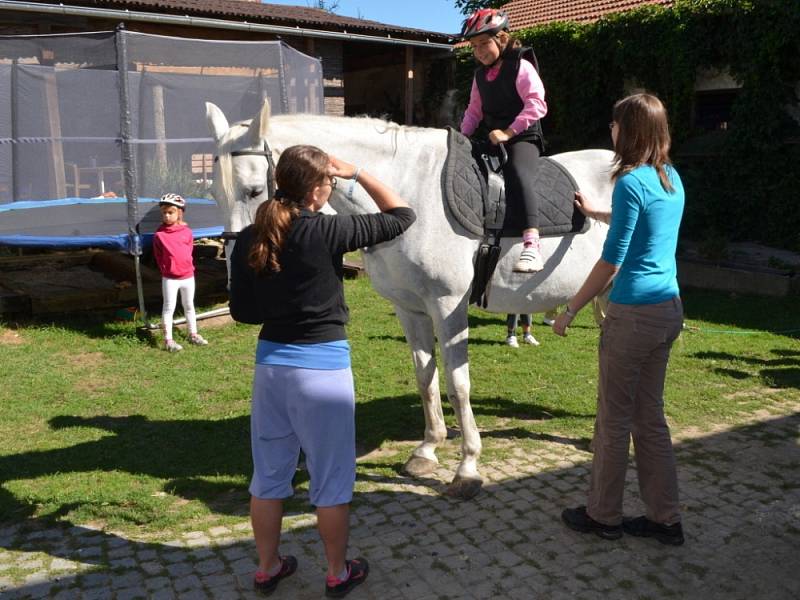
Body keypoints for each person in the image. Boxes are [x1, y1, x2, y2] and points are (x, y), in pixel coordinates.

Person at [228, 145, 416, 597]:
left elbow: (242, 312)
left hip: (271, 366)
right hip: (322, 368)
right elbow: (402, 213)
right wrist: (358, 173)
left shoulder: (250, 237)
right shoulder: (326, 231)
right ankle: (336, 572)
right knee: (331, 478)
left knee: (269, 474)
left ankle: (268, 567)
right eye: (329, 183)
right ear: (316, 191)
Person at [553, 93, 686, 546]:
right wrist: (594, 212)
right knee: (650, 418)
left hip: (633, 316)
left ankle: (603, 515)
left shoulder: (631, 182)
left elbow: (612, 260)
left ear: (628, 131)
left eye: (614, 125)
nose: (610, 132)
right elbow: (640, 221)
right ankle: (665, 519)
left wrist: (570, 309)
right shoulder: (670, 178)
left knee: (612, 421)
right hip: (668, 310)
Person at [460, 8, 548, 273]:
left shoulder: (521, 66)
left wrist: (509, 133)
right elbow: (474, 111)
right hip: (494, 139)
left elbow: (537, 104)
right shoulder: (480, 76)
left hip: (523, 137)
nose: (479, 51)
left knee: (517, 172)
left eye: (484, 43)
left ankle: (532, 244)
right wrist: (460, 138)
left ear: (501, 38)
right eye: (474, 46)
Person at [152, 193, 208, 352]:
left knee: (189, 305)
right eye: (164, 213)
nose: (167, 215)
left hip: (188, 276)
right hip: (170, 278)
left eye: (171, 212)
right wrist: (167, 270)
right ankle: (168, 340)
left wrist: (186, 267)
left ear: (179, 213)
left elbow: (189, 250)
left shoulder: (187, 232)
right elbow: (158, 256)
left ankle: (193, 334)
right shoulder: (159, 235)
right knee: (169, 307)